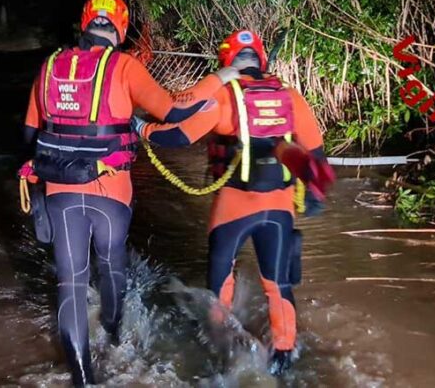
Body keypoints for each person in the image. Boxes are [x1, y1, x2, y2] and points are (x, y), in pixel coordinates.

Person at [17, 0, 240, 386]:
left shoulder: (50, 66)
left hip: (60, 191)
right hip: (110, 192)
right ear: (120, 28)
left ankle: (83, 378)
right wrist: (221, 77)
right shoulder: (124, 66)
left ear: (84, 23)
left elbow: (30, 133)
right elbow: (173, 109)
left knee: (71, 281)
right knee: (110, 264)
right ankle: (115, 334)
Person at [134, 29, 334, 375]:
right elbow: (316, 153)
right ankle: (284, 356)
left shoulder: (226, 96)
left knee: (220, 278)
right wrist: (315, 195)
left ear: (227, 61)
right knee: (278, 283)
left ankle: (220, 349)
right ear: (262, 60)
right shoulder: (290, 97)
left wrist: (141, 129)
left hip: (234, 207)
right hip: (280, 207)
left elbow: (178, 135)